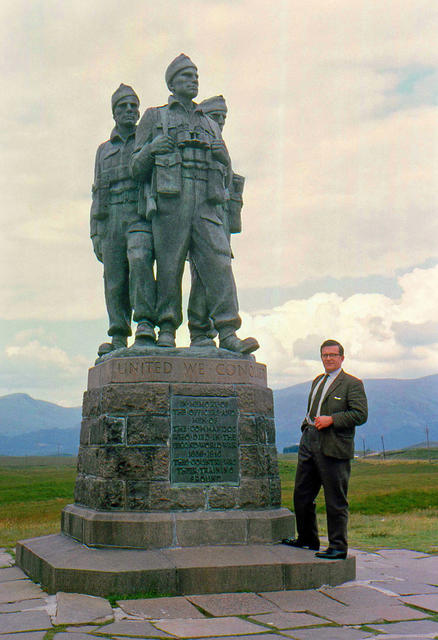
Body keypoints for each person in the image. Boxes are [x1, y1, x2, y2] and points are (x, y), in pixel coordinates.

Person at [130, 54, 258, 354]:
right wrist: (151, 149)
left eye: (196, 75)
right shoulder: (154, 116)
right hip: (171, 200)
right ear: (172, 83)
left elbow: (226, 174)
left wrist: (224, 158)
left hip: (206, 202)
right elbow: (136, 168)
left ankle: (227, 332)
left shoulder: (209, 123)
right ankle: (167, 329)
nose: (194, 80)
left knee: (219, 262)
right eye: (187, 76)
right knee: (170, 266)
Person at [283, 339, 368, 559]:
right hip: (309, 441)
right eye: (324, 355)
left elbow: (360, 414)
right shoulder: (317, 381)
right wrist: (306, 427)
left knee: (335, 499)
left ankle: (338, 546)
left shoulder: (352, 383)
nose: (328, 358)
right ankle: (307, 539)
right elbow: (313, 409)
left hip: (334, 446)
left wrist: (332, 420)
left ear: (342, 357)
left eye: (332, 355)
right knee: (301, 495)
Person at [90, 84, 156, 357]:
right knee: (114, 277)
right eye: (122, 106)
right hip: (111, 219)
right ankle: (118, 334)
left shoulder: (147, 140)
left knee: (140, 259)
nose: (129, 110)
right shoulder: (103, 150)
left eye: (133, 106)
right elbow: (96, 192)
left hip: (139, 214)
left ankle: (145, 323)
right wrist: (96, 232)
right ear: (114, 113)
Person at [187, 95, 245, 347]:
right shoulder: (200, 145)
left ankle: (207, 331)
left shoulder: (221, 148)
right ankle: (200, 330)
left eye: (223, 118)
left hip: (219, 219)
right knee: (204, 274)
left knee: (214, 273)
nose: (220, 122)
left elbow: (228, 187)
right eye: (215, 117)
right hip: (198, 215)